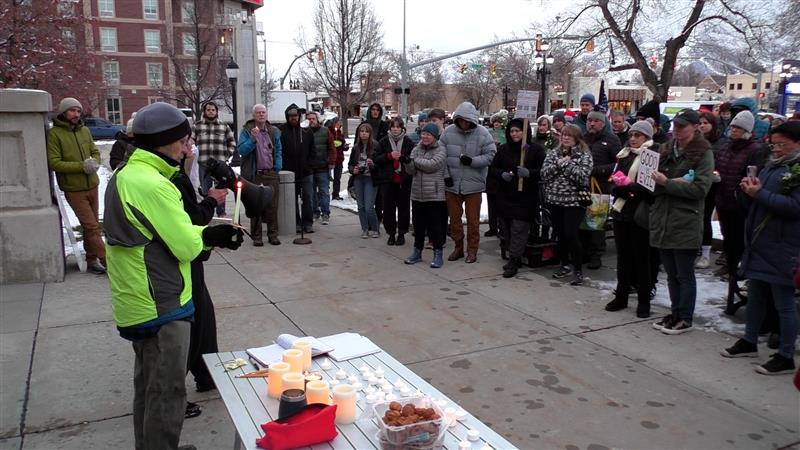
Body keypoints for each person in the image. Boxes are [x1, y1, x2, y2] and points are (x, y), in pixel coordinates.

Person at [104, 102, 242, 450]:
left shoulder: (127, 174)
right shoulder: (152, 184)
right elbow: (186, 245)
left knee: (149, 388)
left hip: (140, 298)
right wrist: (213, 235)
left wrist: (205, 234)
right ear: (164, 142)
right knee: (167, 391)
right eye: (182, 140)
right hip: (160, 302)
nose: (186, 147)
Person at [720, 121, 800, 375]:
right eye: (773, 144)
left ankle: (786, 355)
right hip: (759, 242)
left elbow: (794, 207)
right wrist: (746, 191)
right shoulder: (772, 167)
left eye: (781, 144)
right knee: (755, 297)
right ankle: (749, 340)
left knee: (784, 303)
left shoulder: (796, 170)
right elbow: (756, 201)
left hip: (783, 246)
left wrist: (759, 195)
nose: (775, 149)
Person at [170, 136, 227, 418]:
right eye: (182, 143)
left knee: (204, 319)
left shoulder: (177, 172)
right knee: (188, 329)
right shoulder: (165, 178)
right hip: (176, 269)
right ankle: (173, 398)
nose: (187, 149)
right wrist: (211, 202)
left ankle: (206, 375)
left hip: (187, 263)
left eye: (189, 143)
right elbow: (189, 223)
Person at [649, 109, 714, 335]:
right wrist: (657, 183)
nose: (677, 130)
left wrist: (668, 183)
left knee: (684, 273)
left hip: (685, 218)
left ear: (695, 127)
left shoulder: (703, 153)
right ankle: (675, 312)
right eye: (675, 126)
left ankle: (685, 316)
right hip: (663, 216)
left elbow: (700, 189)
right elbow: (652, 180)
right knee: (670, 272)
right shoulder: (666, 149)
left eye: (682, 126)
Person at [604, 121, 658, 317]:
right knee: (623, 258)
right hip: (621, 212)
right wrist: (617, 188)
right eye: (632, 134)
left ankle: (644, 301)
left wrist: (628, 190)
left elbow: (647, 186)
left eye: (638, 135)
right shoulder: (624, 155)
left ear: (647, 137)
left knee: (642, 259)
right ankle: (621, 295)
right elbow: (614, 179)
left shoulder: (650, 155)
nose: (633, 138)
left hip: (639, 213)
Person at [47, 97, 106, 274]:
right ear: (64, 112)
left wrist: (94, 162)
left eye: (78, 111)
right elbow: (54, 162)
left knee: (93, 224)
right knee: (91, 226)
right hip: (74, 188)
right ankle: (109, 262)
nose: (76, 114)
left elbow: (95, 151)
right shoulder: (55, 134)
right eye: (72, 110)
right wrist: (81, 166)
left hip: (92, 185)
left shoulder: (85, 131)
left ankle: (91, 259)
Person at [440, 101, 497, 263]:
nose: (464, 123)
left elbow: (491, 155)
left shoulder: (483, 133)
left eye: (467, 120)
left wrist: (472, 161)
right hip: (452, 184)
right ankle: (458, 247)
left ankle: (472, 250)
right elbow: (440, 155)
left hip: (474, 185)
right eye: (461, 119)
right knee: (455, 220)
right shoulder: (448, 133)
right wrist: (446, 175)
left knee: (473, 221)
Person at [489, 118, 546, 278]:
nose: (514, 134)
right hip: (505, 196)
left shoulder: (535, 150)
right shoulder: (504, 149)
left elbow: (543, 171)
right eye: (512, 131)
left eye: (518, 131)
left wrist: (529, 173)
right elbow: (493, 168)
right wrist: (502, 174)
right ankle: (513, 254)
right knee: (506, 229)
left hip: (525, 197)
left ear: (524, 132)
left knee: (518, 229)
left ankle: (514, 259)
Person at [541, 124, 593, 286]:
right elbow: (544, 173)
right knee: (560, 234)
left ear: (576, 138)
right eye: (563, 135)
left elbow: (583, 176)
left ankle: (577, 268)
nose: (565, 138)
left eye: (569, 136)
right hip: (555, 200)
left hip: (574, 201)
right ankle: (564, 264)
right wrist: (559, 163)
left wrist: (567, 164)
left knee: (571, 234)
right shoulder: (554, 153)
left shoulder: (584, 155)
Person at [402, 123, 448, 268]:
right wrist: (407, 163)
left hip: (434, 195)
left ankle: (438, 253)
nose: (425, 137)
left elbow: (431, 165)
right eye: (423, 134)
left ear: (435, 136)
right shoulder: (417, 149)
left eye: (428, 134)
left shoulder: (441, 150)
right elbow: (411, 172)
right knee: (418, 226)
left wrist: (413, 161)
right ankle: (417, 252)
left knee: (435, 226)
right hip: (417, 194)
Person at [238, 104, 283, 246]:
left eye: (263, 112)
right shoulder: (246, 131)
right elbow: (242, 151)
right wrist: (252, 139)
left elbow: (278, 150)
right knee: (255, 206)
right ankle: (257, 236)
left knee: (272, 206)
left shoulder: (273, 131)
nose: (261, 115)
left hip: (270, 173)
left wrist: (277, 167)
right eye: (258, 113)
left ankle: (273, 234)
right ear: (254, 115)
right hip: (254, 174)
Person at [582, 110, 622, 269]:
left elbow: (618, 164)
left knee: (596, 224)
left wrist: (597, 170)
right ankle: (584, 252)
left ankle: (596, 254)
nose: (592, 123)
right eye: (590, 120)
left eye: (596, 121)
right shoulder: (583, 139)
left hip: (601, 187)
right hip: (583, 186)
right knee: (583, 222)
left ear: (603, 123)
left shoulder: (612, 140)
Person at [374, 118, 414, 245]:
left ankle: (402, 233)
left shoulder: (408, 142)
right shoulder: (384, 141)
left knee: (404, 208)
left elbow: (412, 158)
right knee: (388, 209)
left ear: (402, 128)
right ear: (390, 128)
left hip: (404, 180)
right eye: (393, 127)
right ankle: (391, 233)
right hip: (388, 180)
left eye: (398, 127)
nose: (395, 129)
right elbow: (376, 158)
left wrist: (402, 157)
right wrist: (388, 156)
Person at [695, 111, 726, 269]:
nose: (702, 126)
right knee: (695, 218)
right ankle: (695, 249)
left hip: (712, 185)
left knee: (705, 216)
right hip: (694, 183)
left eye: (705, 123)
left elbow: (722, 163)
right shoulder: (694, 142)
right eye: (700, 123)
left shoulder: (720, 143)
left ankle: (705, 254)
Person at [195, 101, 235, 218]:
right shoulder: (197, 126)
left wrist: (227, 154)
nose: (211, 112)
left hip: (220, 165)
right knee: (205, 189)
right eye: (208, 110)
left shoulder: (224, 126)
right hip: (203, 163)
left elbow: (231, 142)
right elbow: (191, 142)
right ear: (204, 112)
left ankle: (221, 213)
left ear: (216, 112)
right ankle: (207, 213)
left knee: (221, 188)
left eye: (213, 110)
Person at [280, 104, 314, 233]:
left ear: (299, 116)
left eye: (295, 115)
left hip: (306, 172)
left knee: (308, 198)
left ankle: (308, 222)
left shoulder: (306, 131)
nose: (293, 118)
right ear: (287, 117)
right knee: (291, 199)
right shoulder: (281, 131)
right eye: (291, 116)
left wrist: (309, 165)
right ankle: (296, 222)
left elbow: (312, 150)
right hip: (289, 172)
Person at [348, 123, 381, 238]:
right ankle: (365, 229)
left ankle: (375, 228)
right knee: (360, 206)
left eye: (366, 131)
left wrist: (373, 164)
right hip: (358, 178)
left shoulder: (376, 145)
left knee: (369, 207)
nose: (363, 133)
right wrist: (354, 170)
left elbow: (380, 164)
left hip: (370, 178)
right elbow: (350, 164)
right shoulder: (356, 147)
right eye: (361, 131)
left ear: (370, 133)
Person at [306, 111, 336, 225]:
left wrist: (331, 162)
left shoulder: (325, 131)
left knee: (324, 191)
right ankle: (315, 212)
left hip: (323, 167)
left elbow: (332, 148)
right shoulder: (304, 132)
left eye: (313, 118)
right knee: (311, 192)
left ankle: (326, 213)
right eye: (309, 119)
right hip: (309, 168)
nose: (311, 121)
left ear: (317, 119)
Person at [485, 113, 507, 238]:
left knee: (501, 202)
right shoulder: (488, 133)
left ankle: (501, 227)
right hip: (490, 171)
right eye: (495, 122)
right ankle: (492, 226)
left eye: (499, 122)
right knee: (491, 201)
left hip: (502, 171)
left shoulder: (506, 133)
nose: (497, 124)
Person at [327, 118, 348, 200]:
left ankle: (336, 194)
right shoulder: (329, 132)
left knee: (337, 178)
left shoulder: (340, 134)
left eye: (339, 124)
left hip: (339, 159)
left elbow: (342, 145)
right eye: (337, 123)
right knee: (327, 178)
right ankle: (324, 194)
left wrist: (345, 146)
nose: (338, 125)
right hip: (329, 159)